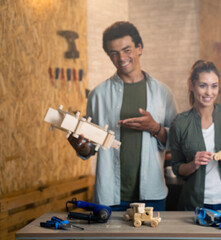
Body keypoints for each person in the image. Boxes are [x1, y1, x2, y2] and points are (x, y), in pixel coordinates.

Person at [68, 21, 177, 211]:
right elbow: (91, 147)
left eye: (127, 50)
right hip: (110, 196)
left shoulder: (162, 93)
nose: (121, 58)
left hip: (152, 195)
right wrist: (83, 148)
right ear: (109, 56)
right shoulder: (98, 95)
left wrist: (154, 127)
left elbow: (177, 141)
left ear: (139, 48)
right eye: (114, 53)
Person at [170, 60, 221, 211]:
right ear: (191, 85)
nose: (209, 93)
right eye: (203, 85)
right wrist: (192, 165)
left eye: (214, 86)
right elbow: (177, 167)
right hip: (195, 204)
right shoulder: (180, 123)